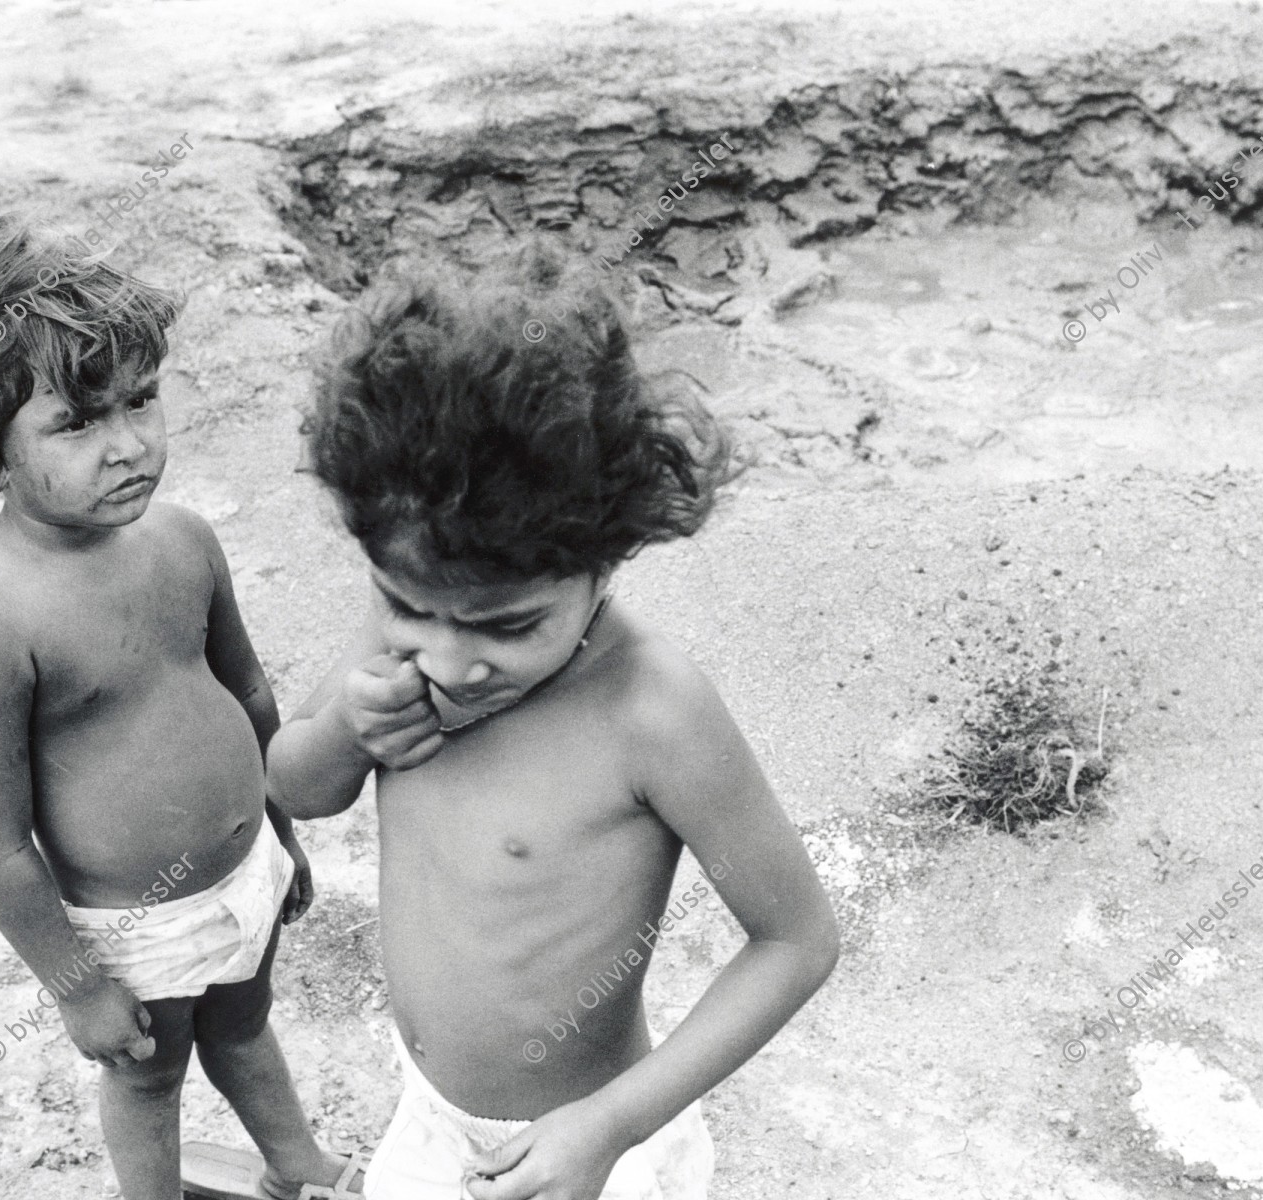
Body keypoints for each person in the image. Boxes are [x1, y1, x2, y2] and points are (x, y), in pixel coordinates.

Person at [268, 252, 842, 1200]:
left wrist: (611, 1127)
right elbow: (295, 788)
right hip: (429, 1120)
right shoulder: (406, 624)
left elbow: (795, 942)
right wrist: (345, 730)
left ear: (605, 563)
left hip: (593, 1150)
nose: (449, 662)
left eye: (509, 625)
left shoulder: (650, 710)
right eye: (409, 606)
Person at [0, 215, 363, 1200]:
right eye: (74, 423)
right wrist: (76, 986)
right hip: (133, 927)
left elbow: (247, 692)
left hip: (247, 870)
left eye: (138, 401)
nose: (126, 447)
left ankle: (297, 1167)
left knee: (244, 1024)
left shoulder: (183, 539)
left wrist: (281, 831)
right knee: (148, 1076)